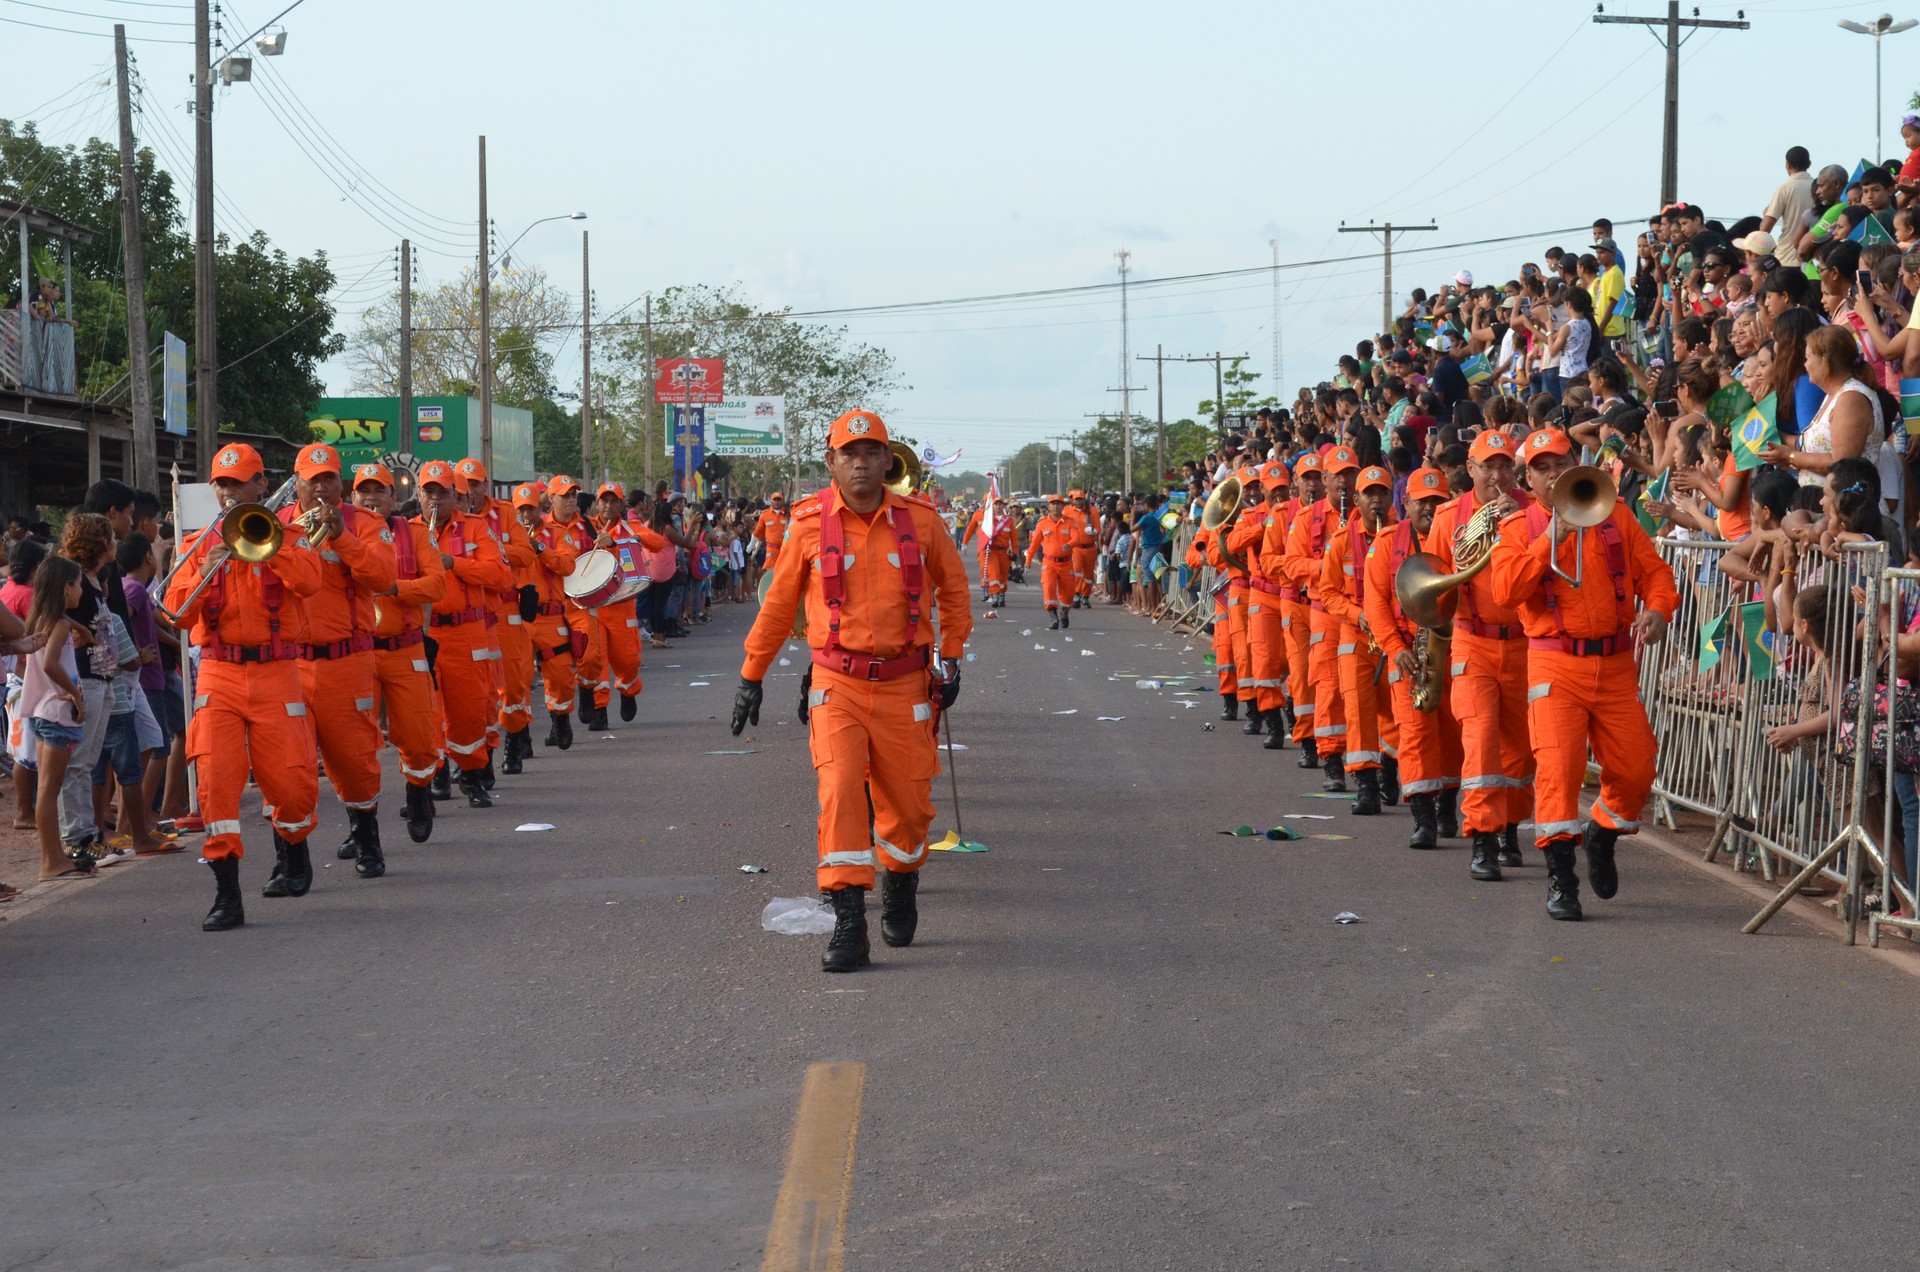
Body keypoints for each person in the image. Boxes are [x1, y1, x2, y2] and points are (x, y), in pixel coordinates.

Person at [731, 409, 973, 973]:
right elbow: (777, 606)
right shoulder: (809, 524)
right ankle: (848, 922)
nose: (860, 462)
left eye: (871, 452)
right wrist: (751, 676)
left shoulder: (922, 521)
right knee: (840, 793)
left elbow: (955, 593)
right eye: (849, 453)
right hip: (836, 684)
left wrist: (952, 658)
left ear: (888, 461)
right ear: (831, 462)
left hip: (906, 684)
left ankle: (901, 883)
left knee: (908, 808)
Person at [1487, 429, 1679, 921]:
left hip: (1615, 662)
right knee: (1558, 770)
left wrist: (1658, 609)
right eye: (1543, 467)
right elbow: (1506, 591)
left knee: (1636, 768)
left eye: (1561, 464)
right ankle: (1561, 878)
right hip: (1554, 661)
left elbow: (1656, 574)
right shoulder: (1515, 529)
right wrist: (1551, 535)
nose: (1554, 474)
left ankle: (1603, 832)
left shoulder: (1614, 515)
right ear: (1527, 480)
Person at [164, 442, 325, 930]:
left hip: (277, 672)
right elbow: (175, 610)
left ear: (260, 485)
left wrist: (270, 551)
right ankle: (226, 895)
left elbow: (310, 584)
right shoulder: (198, 542)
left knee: (292, 784)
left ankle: (293, 846)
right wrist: (207, 570)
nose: (230, 492)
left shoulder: (290, 534)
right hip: (220, 672)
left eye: (239, 483)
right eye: (222, 484)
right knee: (215, 782)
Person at [277, 443, 397, 878]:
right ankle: (289, 857)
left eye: (330, 478)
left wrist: (341, 536)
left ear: (341, 483)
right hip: (289, 664)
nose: (322, 486)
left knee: (354, 759)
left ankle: (366, 837)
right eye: (314, 479)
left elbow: (384, 577)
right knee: (286, 765)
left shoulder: (363, 523)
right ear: (297, 483)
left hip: (346, 661)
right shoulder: (276, 526)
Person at [1423, 429, 1534, 874]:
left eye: (1505, 465)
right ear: (1470, 470)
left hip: (1527, 642)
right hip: (1473, 640)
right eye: (1487, 466)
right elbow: (1430, 585)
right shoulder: (1450, 517)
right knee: (1481, 741)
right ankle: (1482, 839)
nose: (1497, 474)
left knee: (1521, 750)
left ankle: (1509, 829)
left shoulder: (1531, 510)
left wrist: (1516, 525)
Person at [1365, 467, 1464, 849]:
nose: (1429, 507)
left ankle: (1447, 809)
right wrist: (1396, 648)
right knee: (1416, 736)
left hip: (1452, 650)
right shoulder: (1388, 542)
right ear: (1405, 503)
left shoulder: (1457, 538)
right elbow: (1375, 603)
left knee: (1454, 736)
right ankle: (1423, 817)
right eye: (1421, 500)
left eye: (1437, 501)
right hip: (1407, 654)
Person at [351, 462, 447, 844]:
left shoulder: (415, 534)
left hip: (405, 648)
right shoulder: (337, 534)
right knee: (355, 748)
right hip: (357, 652)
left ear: (395, 497)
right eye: (364, 492)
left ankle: (419, 792)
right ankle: (362, 829)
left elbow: (437, 584)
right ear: (353, 497)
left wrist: (395, 589)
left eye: (380, 491)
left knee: (420, 738)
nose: (371, 499)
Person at [416, 461, 512, 807]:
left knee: (470, 710)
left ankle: (472, 776)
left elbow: (502, 577)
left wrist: (454, 563)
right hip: (423, 632)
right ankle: (435, 774)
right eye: (429, 492)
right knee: (426, 711)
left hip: (466, 631)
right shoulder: (408, 530)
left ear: (455, 496)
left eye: (443, 492)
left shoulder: (475, 529)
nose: (436, 499)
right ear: (419, 495)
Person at [1319, 464, 1399, 814]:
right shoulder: (1340, 542)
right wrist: (1359, 615)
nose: (1377, 500)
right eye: (1370, 494)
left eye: (1382, 492)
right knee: (1358, 711)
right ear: (1357, 500)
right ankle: (1366, 786)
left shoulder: (1402, 537)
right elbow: (1328, 593)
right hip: (1356, 639)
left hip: (1395, 640)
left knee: (1396, 712)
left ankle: (1392, 769)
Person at [1285, 445, 1360, 791]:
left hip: (1362, 613)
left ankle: (1369, 765)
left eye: (1350, 474)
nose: (1343, 482)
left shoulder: (1371, 511)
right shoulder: (1306, 518)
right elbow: (1291, 564)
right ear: (1326, 477)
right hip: (1326, 611)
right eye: (1337, 475)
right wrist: (1327, 567)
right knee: (1328, 685)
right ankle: (1331, 759)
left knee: (1365, 691)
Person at [21, 556, 90, 883]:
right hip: (57, 713)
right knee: (49, 789)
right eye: (77, 584)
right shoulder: (59, 624)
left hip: (40, 711)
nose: (81, 590)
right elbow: (50, 664)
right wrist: (75, 693)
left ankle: (54, 858)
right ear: (65, 587)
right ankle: (51, 861)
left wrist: (81, 629)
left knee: (47, 789)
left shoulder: (43, 619)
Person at [513, 482, 581, 748]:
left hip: (551, 616)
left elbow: (568, 565)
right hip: (519, 616)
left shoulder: (556, 534)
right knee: (519, 676)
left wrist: (539, 549)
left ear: (541, 508)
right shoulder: (508, 536)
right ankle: (521, 735)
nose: (527, 515)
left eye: (531, 509)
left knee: (562, 675)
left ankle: (560, 719)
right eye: (522, 510)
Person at [1265, 453, 1324, 757]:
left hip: (1328, 605)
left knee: (1325, 674)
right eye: (1307, 478)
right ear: (1296, 482)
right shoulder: (1281, 513)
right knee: (1301, 673)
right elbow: (1266, 560)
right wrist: (1298, 564)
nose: (1312, 484)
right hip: (1296, 602)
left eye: (1317, 477)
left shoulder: (1339, 513)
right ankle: (1308, 741)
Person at [1026, 494, 1078, 629]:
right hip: (1049, 563)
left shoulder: (1070, 522)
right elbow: (1034, 543)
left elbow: (1077, 538)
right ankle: (1053, 617)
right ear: (1049, 506)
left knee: (1068, 593)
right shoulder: (1042, 523)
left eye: (1058, 503)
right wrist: (1028, 560)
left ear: (1063, 506)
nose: (1056, 506)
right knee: (1048, 587)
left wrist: (1070, 544)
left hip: (1066, 563)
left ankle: (1065, 612)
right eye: (1053, 504)